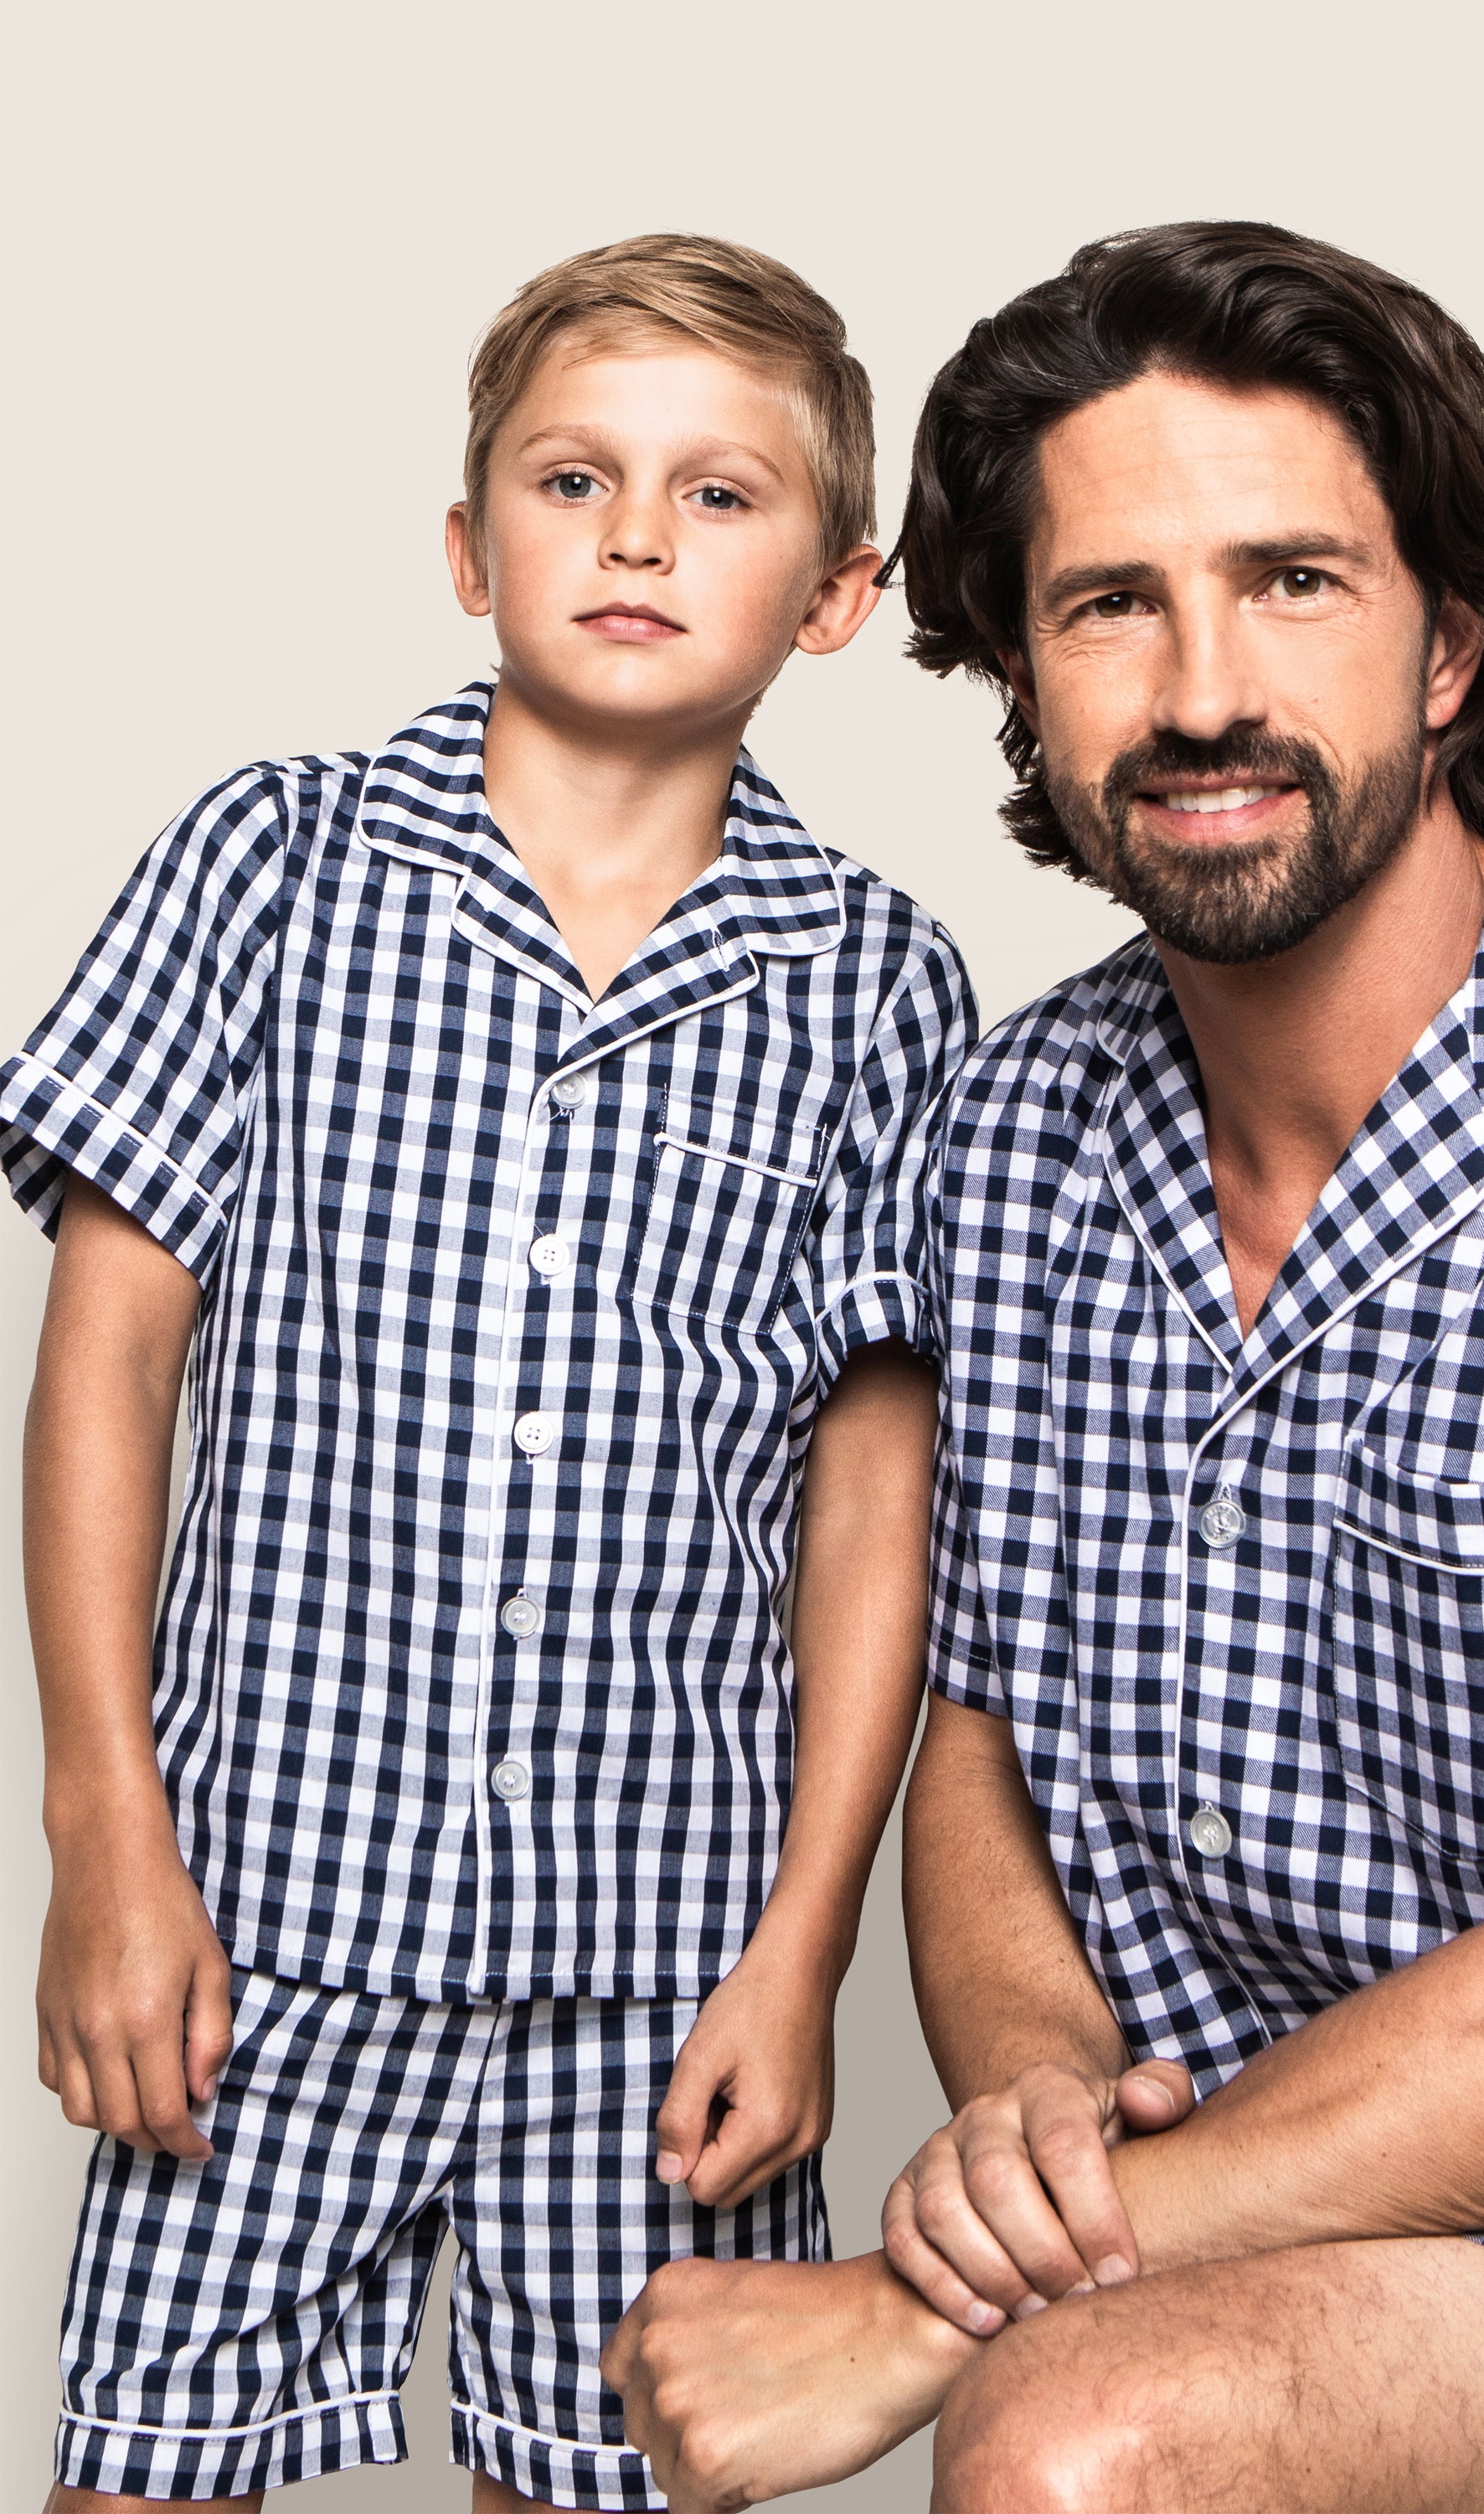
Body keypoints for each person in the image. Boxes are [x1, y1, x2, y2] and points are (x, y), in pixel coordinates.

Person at [603, 221, 1484, 2514]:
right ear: (1019, 677)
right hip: (1227, 2159)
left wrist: (939, 2301)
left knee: (1076, 2440)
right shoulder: (1015, 1129)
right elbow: (978, 1732)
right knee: (1087, 2376)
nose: (1197, 691)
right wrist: (1043, 2120)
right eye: (1107, 604)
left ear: (1453, 640)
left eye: (1292, 582)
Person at [7, 233, 972, 2510]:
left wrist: (803, 1953)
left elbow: (871, 1505)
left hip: (656, 1979)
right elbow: (108, 1361)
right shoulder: (270, 865)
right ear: (470, 547)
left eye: (720, 497)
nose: (637, 536)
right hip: (264, 1928)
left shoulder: (879, 989)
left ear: (839, 593)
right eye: (576, 477)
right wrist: (103, 1826)